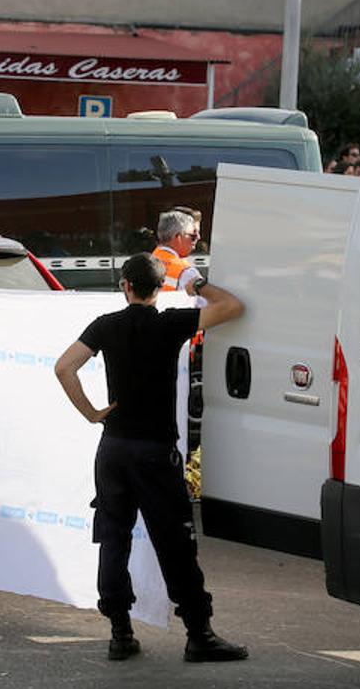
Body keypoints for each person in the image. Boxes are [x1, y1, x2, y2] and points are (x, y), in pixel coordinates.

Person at [54, 253, 249, 663]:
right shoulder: (169, 324)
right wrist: (195, 286)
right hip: (155, 452)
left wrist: (91, 413)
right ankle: (200, 634)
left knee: (113, 537)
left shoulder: (106, 325)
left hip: (113, 449)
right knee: (175, 543)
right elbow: (232, 307)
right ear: (159, 289)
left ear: (125, 285)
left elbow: (64, 367)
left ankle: (120, 633)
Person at [152, 210, 202, 295]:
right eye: (193, 236)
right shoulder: (187, 273)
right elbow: (207, 304)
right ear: (178, 237)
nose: (198, 238)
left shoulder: (146, 262)